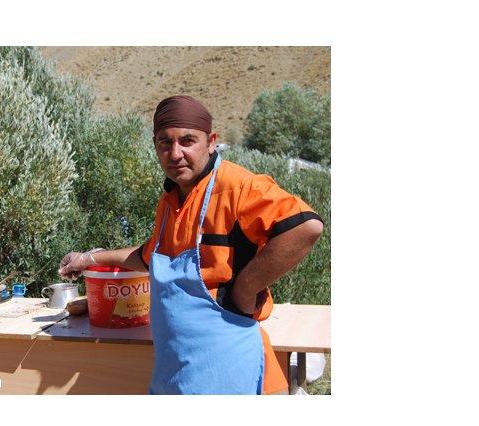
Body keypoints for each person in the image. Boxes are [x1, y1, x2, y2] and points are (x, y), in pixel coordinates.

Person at [58, 95, 324, 395]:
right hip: (175, 371)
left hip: (229, 369)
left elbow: (306, 226)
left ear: (210, 142)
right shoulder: (171, 198)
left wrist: (245, 290)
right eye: (165, 143)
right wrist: (88, 259)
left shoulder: (236, 185)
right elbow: (152, 257)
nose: (175, 153)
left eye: (188, 141)